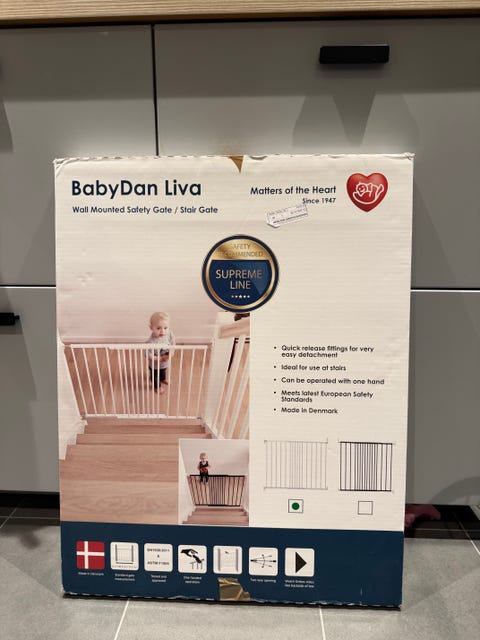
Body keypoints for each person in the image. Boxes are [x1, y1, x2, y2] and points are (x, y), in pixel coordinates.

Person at [146, 311, 175, 394]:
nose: (162, 331)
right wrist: (161, 358)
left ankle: (163, 379)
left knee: (163, 371)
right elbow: (149, 356)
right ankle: (157, 386)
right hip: (155, 365)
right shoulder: (150, 343)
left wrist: (172, 351)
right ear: (151, 327)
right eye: (158, 328)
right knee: (155, 376)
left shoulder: (169, 334)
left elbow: (173, 341)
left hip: (165, 363)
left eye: (165, 328)